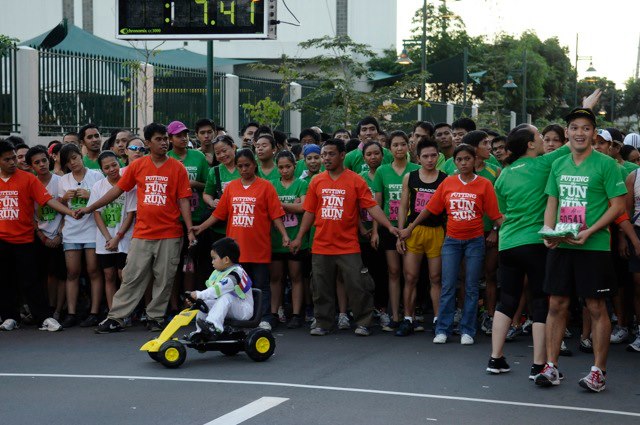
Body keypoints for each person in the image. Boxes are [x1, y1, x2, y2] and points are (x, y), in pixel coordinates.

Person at [534, 108, 626, 393]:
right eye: (574, 127)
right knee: (556, 304)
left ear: (594, 134)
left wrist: (590, 231)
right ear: (568, 132)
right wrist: (549, 232)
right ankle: (551, 367)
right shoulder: (559, 164)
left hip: (593, 246)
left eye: (586, 128)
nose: (579, 133)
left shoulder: (606, 164)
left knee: (596, 307)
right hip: (562, 244)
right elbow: (552, 201)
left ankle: (598, 372)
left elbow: (619, 206)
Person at [82, 122, 195, 334]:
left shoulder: (177, 168)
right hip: (142, 233)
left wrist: (189, 230)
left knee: (164, 278)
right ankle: (116, 317)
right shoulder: (138, 165)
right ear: (148, 143)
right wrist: (91, 207)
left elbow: (184, 200)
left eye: (165, 139)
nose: (164, 143)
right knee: (132, 276)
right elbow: (117, 191)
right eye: (159, 139)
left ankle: (156, 317)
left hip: (170, 233)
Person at [290, 138, 400, 337]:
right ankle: (323, 322)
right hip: (321, 244)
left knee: (357, 285)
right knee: (320, 287)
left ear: (342, 155)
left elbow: (372, 206)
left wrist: (388, 227)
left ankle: (363, 321)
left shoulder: (356, 180)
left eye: (331, 154)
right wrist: (299, 237)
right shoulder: (316, 181)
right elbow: (309, 212)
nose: (326, 159)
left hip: (348, 244)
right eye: (324, 155)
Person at [485, 126, 570, 378]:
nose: (545, 140)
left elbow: (501, 213)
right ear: (531, 145)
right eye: (540, 137)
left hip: (508, 244)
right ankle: (538, 365)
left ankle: (495, 358)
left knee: (507, 300)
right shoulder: (543, 164)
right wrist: (585, 108)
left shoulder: (504, 174)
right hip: (536, 243)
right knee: (539, 301)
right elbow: (572, 142)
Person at [401, 144, 503, 345]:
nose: (464, 163)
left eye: (467, 159)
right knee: (448, 285)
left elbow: (495, 215)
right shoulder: (447, 183)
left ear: (474, 160)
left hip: (475, 241)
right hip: (451, 241)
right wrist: (410, 228)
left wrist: (511, 228)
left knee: (472, 287)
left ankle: (467, 330)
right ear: (454, 162)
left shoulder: (484, 184)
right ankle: (443, 329)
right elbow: (429, 209)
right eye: (459, 159)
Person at [193, 149, 289, 330]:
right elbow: (218, 214)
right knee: (236, 286)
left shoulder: (266, 186)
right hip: (235, 250)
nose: (244, 169)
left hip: (258, 247)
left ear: (254, 165)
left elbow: (276, 214)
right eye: (240, 166)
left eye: (247, 165)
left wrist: (284, 235)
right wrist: (201, 227)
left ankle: (265, 318)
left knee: (261, 285)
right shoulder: (231, 187)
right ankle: (243, 317)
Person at [0, 140, 76, 332]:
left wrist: (71, 213)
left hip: (25, 239)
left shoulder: (28, 179)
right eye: (7, 159)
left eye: (13, 158)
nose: (12, 162)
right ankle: (10, 317)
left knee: (31, 281)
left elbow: (48, 201)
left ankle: (45, 318)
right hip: (1, 240)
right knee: (5, 281)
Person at [396, 138, 447, 336]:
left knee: (436, 278)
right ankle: (408, 318)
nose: (430, 159)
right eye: (425, 156)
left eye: (433, 155)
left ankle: (437, 319)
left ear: (438, 156)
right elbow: (403, 205)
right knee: (410, 277)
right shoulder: (410, 177)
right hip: (412, 231)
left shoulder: (445, 178)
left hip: (436, 232)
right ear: (418, 158)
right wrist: (400, 233)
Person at [372, 131, 420, 331]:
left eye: (403, 144)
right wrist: (375, 231)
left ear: (408, 147)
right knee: (393, 272)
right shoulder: (382, 171)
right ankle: (395, 315)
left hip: (410, 228)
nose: (399, 148)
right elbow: (377, 203)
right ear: (389, 149)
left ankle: (411, 315)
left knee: (411, 275)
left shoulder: (416, 169)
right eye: (395, 145)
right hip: (388, 228)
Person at [57, 144, 104, 328]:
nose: (73, 163)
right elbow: (59, 206)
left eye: (75, 157)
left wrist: (89, 195)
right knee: (72, 272)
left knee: (93, 270)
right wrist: (63, 199)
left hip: (92, 229)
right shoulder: (64, 180)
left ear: (80, 156)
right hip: (71, 231)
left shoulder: (96, 176)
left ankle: (94, 312)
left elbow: (105, 199)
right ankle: (71, 312)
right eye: (68, 161)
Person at [167, 120, 210, 298]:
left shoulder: (198, 157)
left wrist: (193, 184)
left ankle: (195, 300)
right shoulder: (167, 157)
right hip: (175, 220)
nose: (183, 138)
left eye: (185, 134)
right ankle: (175, 303)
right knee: (176, 263)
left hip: (198, 217)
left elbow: (209, 185)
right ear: (170, 139)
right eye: (178, 135)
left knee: (198, 262)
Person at [88, 151, 136, 311]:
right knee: (109, 276)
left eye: (114, 165)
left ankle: (126, 312)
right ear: (102, 170)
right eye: (107, 167)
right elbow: (96, 213)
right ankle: (112, 311)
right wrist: (109, 238)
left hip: (125, 238)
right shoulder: (98, 186)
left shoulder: (129, 185)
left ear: (119, 163)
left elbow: (130, 214)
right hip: (105, 240)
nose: (112, 169)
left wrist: (118, 237)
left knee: (124, 276)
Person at [269, 150, 309, 329]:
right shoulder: (271, 185)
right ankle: (274, 312)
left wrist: (281, 205)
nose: (284, 170)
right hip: (276, 240)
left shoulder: (301, 184)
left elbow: (303, 207)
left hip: (296, 239)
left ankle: (296, 313)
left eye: (288, 166)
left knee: (296, 276)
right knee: (276, 277)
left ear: (295, 166)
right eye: (281, 167)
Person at [27, 146, 67, 324]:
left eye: (44, 160)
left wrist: (59, 234)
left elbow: (67, 211)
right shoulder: (30, 183)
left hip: (60, 235)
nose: (42, 164)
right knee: (41, 275)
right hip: (39, 236)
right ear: (30, 166)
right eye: (37, 162)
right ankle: (45, 311)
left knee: (60, 275)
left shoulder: (60, 182)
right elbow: (28, 214)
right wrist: (42, 236)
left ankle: (58, 310)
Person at [188, 237, 254, 340]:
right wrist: (197, 299)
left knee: (226, 296)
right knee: (203, 303)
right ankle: (200, 332)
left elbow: (217, 289)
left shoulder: (235, 273)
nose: (212, 262)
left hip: (243, 308)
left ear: (226, 259)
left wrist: (199, 294)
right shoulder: (219, 272)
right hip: (231, 306)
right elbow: (211, 294)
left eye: (214, 258)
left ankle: (213, 326)